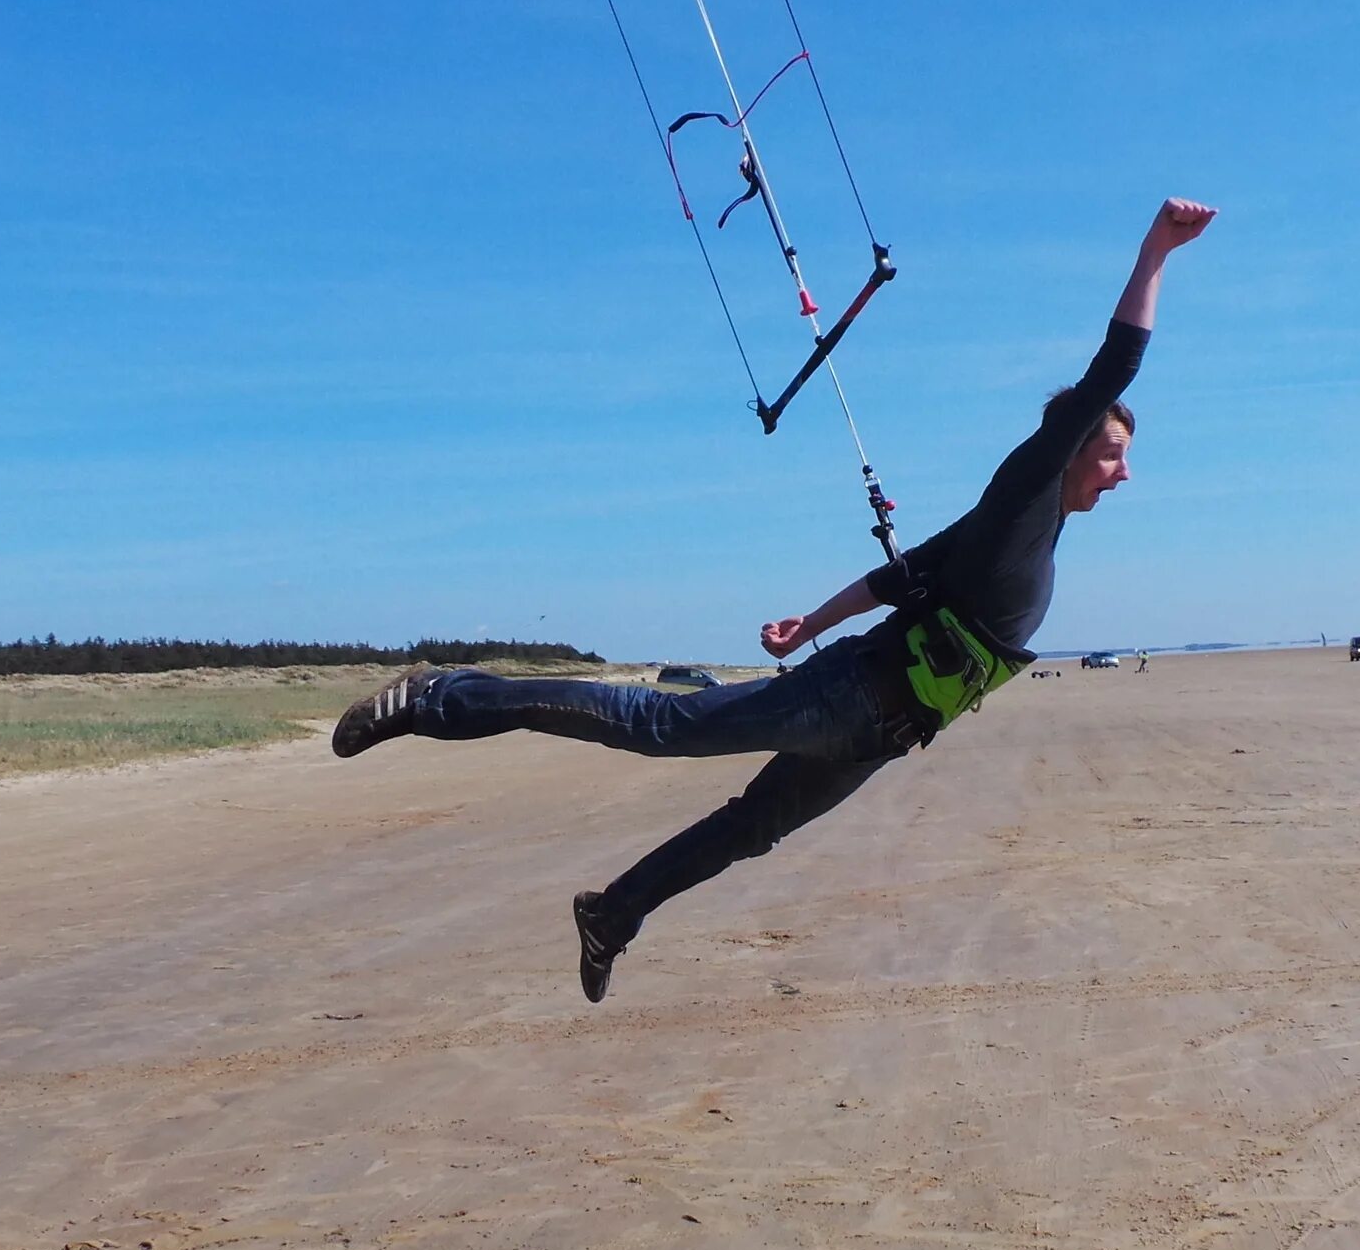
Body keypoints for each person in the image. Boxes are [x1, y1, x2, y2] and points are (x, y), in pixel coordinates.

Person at [332, 198, 1217, 1000]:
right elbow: (1115, 366)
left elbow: (899, 578)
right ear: (1066, 447)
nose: (1124, 472)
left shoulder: (1015, 529)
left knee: (751, 827)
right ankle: (442, 694)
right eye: (1111, 453)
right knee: (661, 725)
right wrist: (1155, 252)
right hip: (851, 696)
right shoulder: (1027, 486)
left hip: (882, 733)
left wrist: (808, 620)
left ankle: (614, 913)